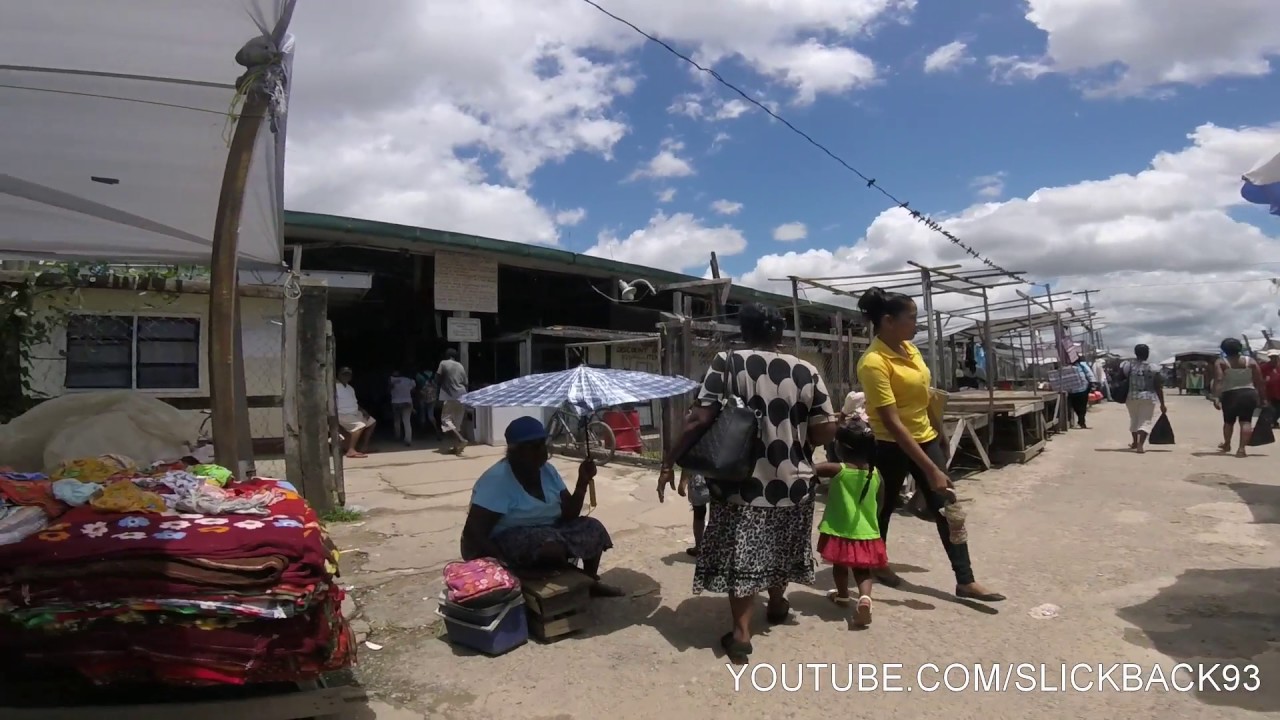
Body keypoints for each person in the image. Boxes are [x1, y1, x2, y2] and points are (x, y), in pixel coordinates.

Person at [656, 302, 837, 664]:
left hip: (743, 482)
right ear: (780, 332)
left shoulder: (728, 362)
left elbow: (699, 418)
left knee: (744, 556)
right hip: (794, 482)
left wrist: (670, 461)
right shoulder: (806, 370)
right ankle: (777, 602)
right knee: (781, 545)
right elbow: (825, 428)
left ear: (744, 329)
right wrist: (793, 436)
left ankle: (741, 634)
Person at [855, 287, 1003, 603]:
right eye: (911, 318)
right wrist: (930, 467)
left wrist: (939, 434)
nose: (916, 325)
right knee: (882, 510)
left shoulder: (911, 350)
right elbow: (892, 421)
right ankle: (877, 564)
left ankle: (966, 580)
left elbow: (925, 397)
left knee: (949, 507)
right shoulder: (873, 362)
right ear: (888, 321)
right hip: (888, 446)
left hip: (925, 437)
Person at [459, 417, 623, 596]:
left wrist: (582, 482)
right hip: (506, 541)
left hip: (550, 531)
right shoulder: (497, 481)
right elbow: (473, 534)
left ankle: (589, 583)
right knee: (549, 545)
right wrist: (507, 566)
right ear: (514, 451)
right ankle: (545, 583)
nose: (541, 451)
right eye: (533, 446)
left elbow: (570, 514)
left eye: (542, 444)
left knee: (593, 528)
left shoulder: (548, 471)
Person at [813, 420, 886, 628]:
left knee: (840, 566)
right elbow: (881, 503)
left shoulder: (838, 470)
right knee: (863, 571)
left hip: (840, 531)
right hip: (867, 532)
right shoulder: (875, 474)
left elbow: (810, 469)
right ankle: (865, 598)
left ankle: (843, 595)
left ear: (840, 448)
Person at [1211, 338, 1264, 457]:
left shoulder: (1221, 362)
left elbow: (1219, 380)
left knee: (1228, 422)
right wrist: (1262, 397)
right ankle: (1241, 449)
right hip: (1249, 393)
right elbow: (1259, 380)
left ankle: (1227, 444)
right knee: (1246, 421)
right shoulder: (1250, 361)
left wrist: (1216, 397)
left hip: (1230, 394)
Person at [1120, 344, 1166, 453]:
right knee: (1145, 421)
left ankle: (1135, 442)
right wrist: (1162, 404)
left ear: (1135, 353)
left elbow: (1122, 378)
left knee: (1134, 419)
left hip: (1131, 397)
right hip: (1148, 398)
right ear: (1147, 354)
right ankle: (1140, 445)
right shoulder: (1153, 367)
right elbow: (1158, 386)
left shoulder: (1128, 366)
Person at [435, 349, 470, 456]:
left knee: (446, 420)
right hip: (462, 394)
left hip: (449, 395)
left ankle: (461, 439)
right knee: (457, 423)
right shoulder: (460, 366)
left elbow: (437, 378)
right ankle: (456, 448)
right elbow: (466, 382)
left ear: (447, 355)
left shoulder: (443, 363)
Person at [336, 367, 375, 458]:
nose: (346, 376)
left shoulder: (350, 388)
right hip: (342, 413)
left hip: (354, 412)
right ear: (338, 375)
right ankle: (351, 450)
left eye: (348, 374)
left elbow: (354, 402)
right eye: (344, 374)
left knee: (372, 422)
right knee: (359, 427)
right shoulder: (334, 387)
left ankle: (364, 447)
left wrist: (362, 410)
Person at [678, 467, 709, 557]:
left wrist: (683, 482)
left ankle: (699, 547)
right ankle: (715, 548)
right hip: (722, 477)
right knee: (719, 513)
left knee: (699, 514)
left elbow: (689, 460)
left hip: (700, 479)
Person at [388, 369, 417, 447]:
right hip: (407, 402)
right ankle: (408, 439)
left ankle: (397, 436)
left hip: (395, 402)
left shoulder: (392, 379)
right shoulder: (410, 380)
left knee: (397, 420)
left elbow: (389, 389)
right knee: (407, 421)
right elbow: (413, 390)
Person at [1067, 358, 1096, 429]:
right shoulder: (1066, 367)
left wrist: (1092, 383)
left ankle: (1081, 421)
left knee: (1082, 406)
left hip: (1083, 388)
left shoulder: (1082, 365)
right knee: (1076, 407)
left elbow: (1089, 373)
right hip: (1072, 390)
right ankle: (1081, 421)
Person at [416, 369, 443, 440]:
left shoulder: (419, 375)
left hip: (423, 398)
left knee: (422, 415)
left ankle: (422, 432)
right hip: (432, 398)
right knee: (431, 416)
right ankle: (437, 431)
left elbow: (418, 387)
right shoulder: (435, 375)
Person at [1262, 355, 1280, 428]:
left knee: (1278, 408)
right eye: (1272, 357)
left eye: (1276, 357)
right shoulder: (1264, 367)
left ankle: (1273, 421)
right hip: (1270, 391)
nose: (1274, 359)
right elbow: (1259, 377)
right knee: (1272, 407)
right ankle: (1272, 421)